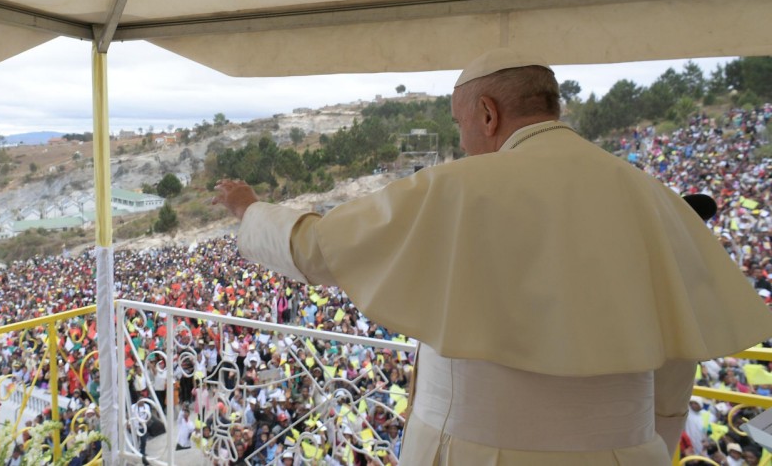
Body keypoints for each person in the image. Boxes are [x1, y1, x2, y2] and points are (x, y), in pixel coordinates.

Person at [212, 48, 772, 465]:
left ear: (486, 114)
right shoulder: (654, 196)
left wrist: (249, 210)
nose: (463, 143)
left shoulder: (457, 187)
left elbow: (316, 249)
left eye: (461, 126)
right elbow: (675, 364)